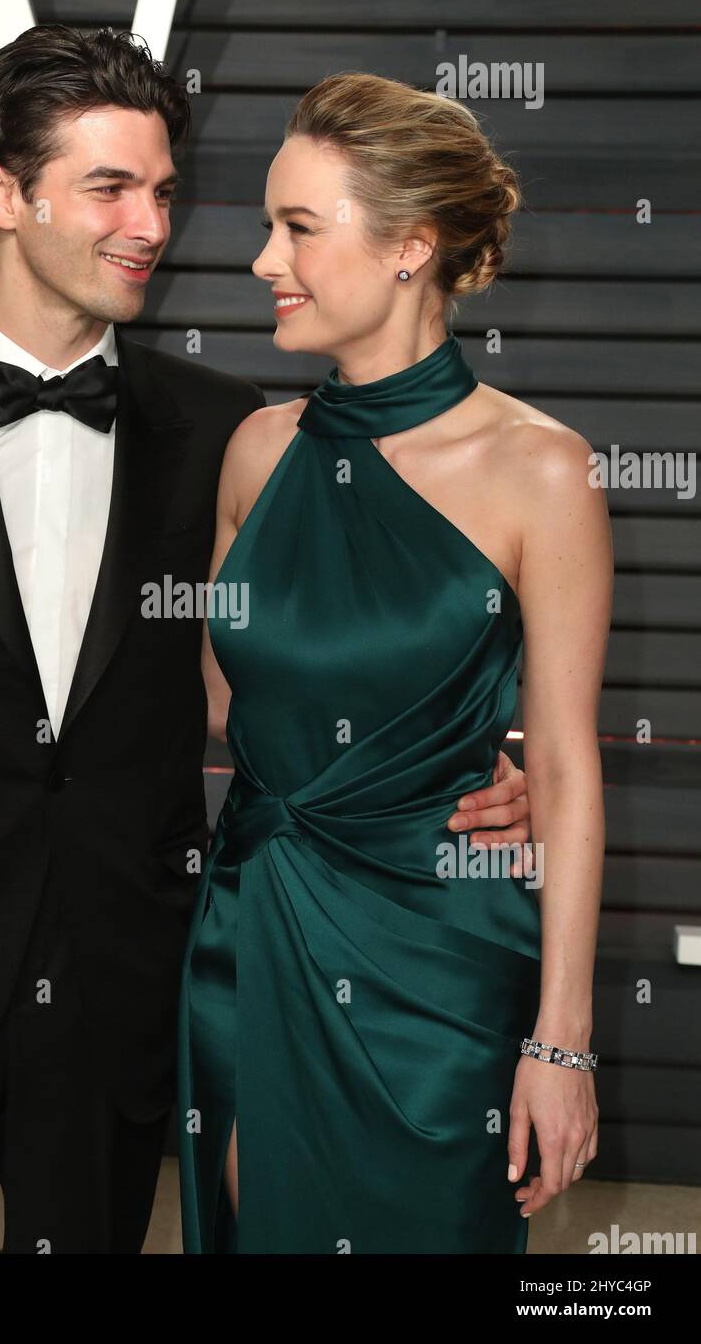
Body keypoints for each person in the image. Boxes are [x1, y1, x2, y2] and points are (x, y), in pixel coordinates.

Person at [0, 30, 534, 1253]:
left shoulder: (227, 432)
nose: (149, 222)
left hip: (122, 980)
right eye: (110, 187)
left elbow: (337, 645)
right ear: (3, 191)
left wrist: (470, 767)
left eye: (161, 188)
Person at [177, 73, 610, 1254]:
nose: (262, 257)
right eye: (269, 224)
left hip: (442, 959)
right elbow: (233, 710)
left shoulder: (542, 471)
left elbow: (568, 770)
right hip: (257, 923)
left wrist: (560, 1042)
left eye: (298, 229)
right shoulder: (256, 456)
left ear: (411, 248)